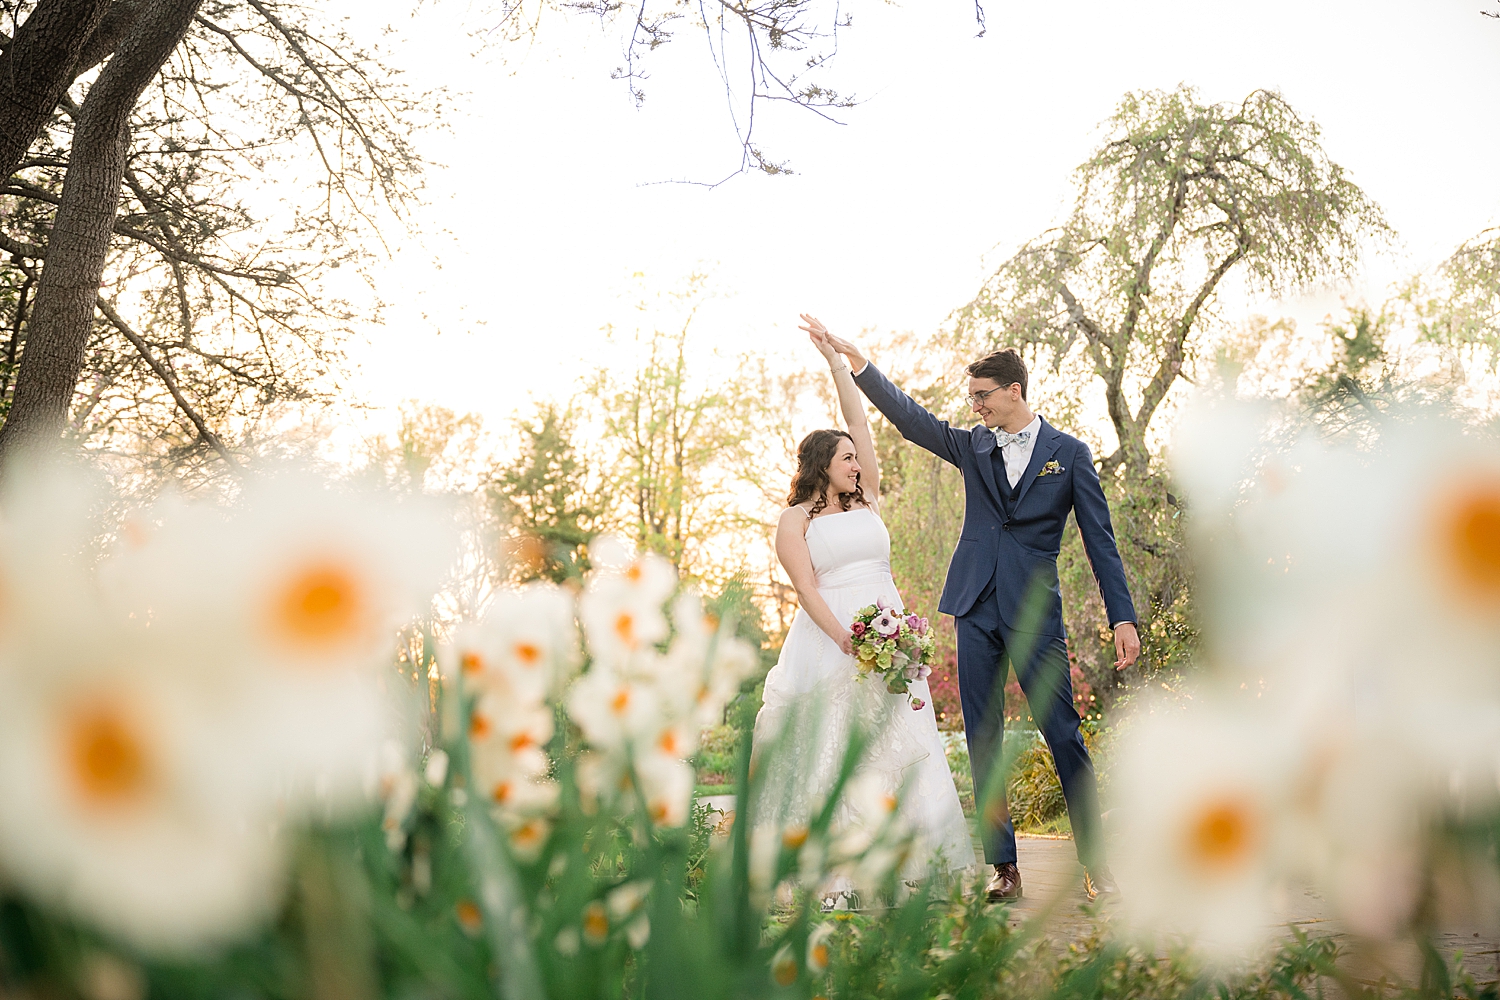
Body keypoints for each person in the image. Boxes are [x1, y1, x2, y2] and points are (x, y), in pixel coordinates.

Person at [808, 317, 1139, 902]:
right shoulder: (973, 445)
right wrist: (860, 366)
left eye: (983, 396)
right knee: (983, 737)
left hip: (1035, 612)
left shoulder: (1070, 454)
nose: (976, 406)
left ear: (1015, 392)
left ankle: (1099, 864)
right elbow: (913, 420)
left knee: (1064, 733)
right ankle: (1003, 868)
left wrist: (1122, 616)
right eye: (972, 399)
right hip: (974, 608)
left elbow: (1100, 540)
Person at [751, 318, 975, 905]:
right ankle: (835, 875)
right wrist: (848, 641)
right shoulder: (794, 521)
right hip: (832, 640)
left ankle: (918, 867)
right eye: (847, 457)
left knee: (905, 739)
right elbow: (805, 589)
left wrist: (837, 363)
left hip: (891, 631)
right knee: (835, 748)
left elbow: (858, 420)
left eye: (857, 457)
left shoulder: (868, 496)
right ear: (823, 463)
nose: (856, 461)